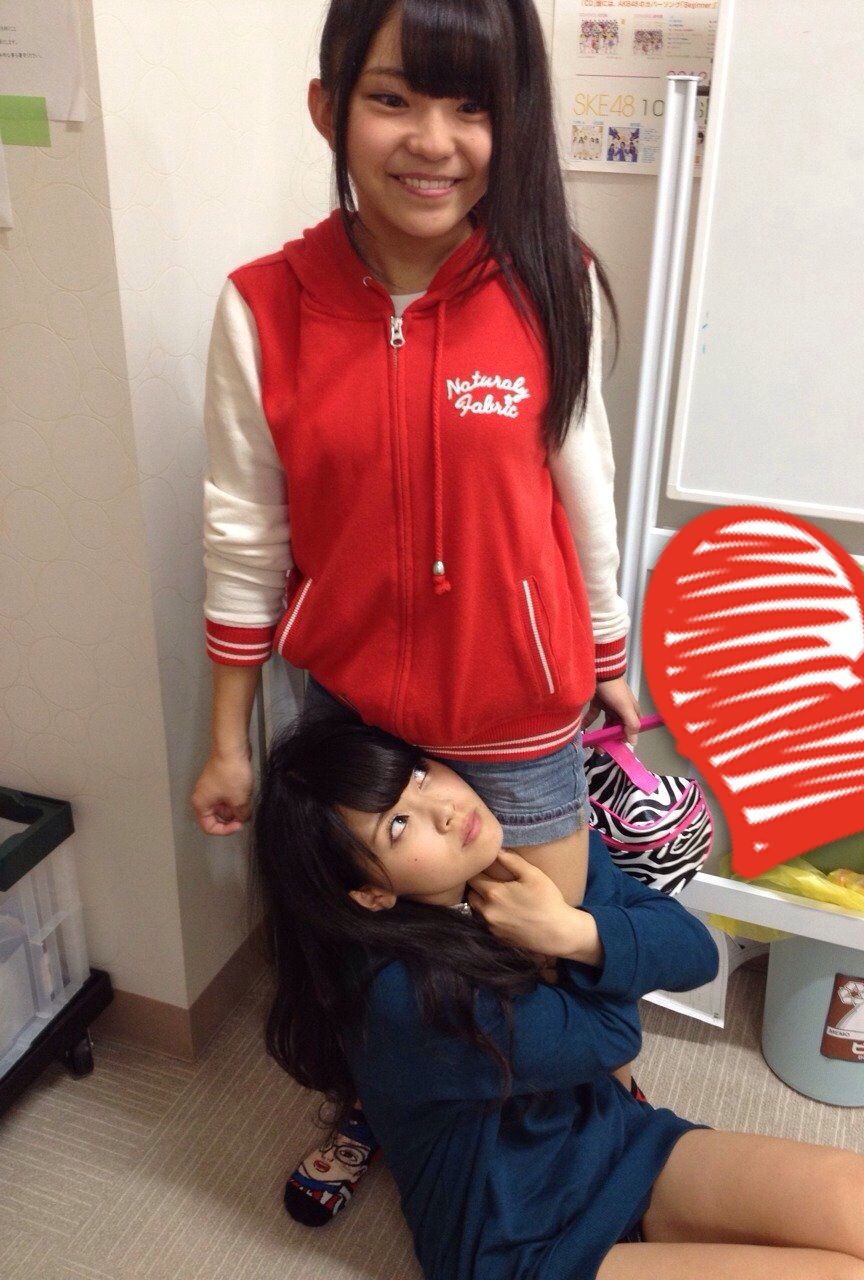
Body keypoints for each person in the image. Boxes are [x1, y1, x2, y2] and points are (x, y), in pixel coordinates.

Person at [191, 0, 644, 1224]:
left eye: (471, 105)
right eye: (394, 97)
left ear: (511, 120)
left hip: (518, 701)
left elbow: (585, 488)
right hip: (353, 714)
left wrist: (608, 647)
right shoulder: (262, 305)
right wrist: (230, 738)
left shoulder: (553, 281)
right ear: (328, 107)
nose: (434, 141)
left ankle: (568, 1110)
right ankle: (372, 1104)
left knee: (531, 938)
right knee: (369, 951)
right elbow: (244, 531)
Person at [253, 711, 864, 1280]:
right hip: (520, 1247)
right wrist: (570, 935)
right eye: (398, 825)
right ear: (371, 893)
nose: (443, 806)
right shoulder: (401, 997)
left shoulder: (523, 859)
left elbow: (692, 951)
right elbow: (612, 1039)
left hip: (618, 1143)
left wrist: (575, 930)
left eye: (418, 774)